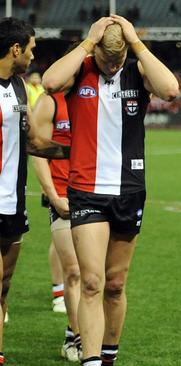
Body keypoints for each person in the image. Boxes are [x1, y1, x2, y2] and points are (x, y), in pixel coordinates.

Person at [41, 15, 179, 366]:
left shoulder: (136, 70)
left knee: (115, 284)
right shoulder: (82, 69)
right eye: (107, 58)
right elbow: (50, 81)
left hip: (129, 191)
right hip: (86, 191)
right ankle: (89, 360)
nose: (113, 64)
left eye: (118, 59)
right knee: (91, 282)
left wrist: (136, 43)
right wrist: (88, 43)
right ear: (96, 50)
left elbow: (171, 90)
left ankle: (107, 357)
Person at [31, 91, 82, 362]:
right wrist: (51, 194)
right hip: (62, 195)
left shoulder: (93, 95)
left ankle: (89, 336)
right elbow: (37, 150)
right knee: (73, 270)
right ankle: (75, 336)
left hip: (94, 194)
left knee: (96, 276)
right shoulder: (51, 101)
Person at [0, 17, 35, 365]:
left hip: (13, 200)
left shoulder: (22, 88)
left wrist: (76, 151)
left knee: (4, 283)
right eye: (31, 48)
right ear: (15, 48)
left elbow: (33, 139)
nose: (33, 54)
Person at [26, 70, 67, 315]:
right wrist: (46, 185)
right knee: (58, 237)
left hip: (80, 182)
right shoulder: (45, 98)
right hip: (56, 178)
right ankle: (59, 289)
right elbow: (39, 143)